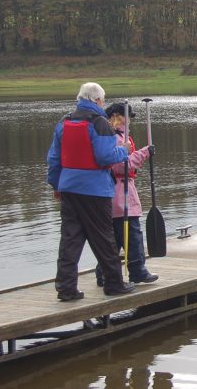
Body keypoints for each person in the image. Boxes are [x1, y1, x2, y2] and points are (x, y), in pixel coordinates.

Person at [46, 82, 135, 301]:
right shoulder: (100, 124)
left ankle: (66, 288)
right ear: (97, 101)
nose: (103, 104)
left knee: (70, 239)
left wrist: (56, 185)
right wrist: (123, 151)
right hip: (95, 191)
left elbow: (54, 160)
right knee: (103, 238)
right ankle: (114, 284)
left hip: (69, 189)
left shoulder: (63, 123)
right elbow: (105, 156)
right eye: (102, 101)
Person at [95, 102, 158, 286]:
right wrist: (144, 153)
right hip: (120, 193)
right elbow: (121, 165)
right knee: (132, 236)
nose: (130, 120)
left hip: (112, 193)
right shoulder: (115, 137)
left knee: (112, 239)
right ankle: (137, 271)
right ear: (119, 116)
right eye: (128, 116)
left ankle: (103, 274)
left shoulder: (111, 134)